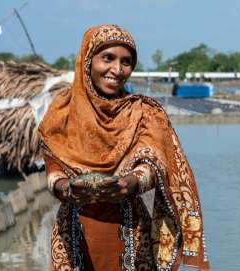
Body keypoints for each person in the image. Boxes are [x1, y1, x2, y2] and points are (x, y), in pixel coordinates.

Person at [38, 24, 209, 271]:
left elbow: (154, 163)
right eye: (107, 58)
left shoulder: (143, 112)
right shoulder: (62, 112)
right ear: (87, 60)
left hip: (132, 234)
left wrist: (131, 182)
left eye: (126, 62)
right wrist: (67, 187)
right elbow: (53, 171)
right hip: (72, 236)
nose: (117, 70)